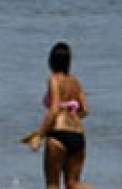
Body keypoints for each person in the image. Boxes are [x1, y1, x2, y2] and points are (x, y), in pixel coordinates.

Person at [21, 42, 89, 189]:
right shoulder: (76, 82)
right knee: (73, 184)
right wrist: (70, 114)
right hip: (78, 134)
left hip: (58, 134)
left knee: (52, 184)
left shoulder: (53, 79)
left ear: (51, 61)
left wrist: (39, 135)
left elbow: (54, 109)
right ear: (69, 62)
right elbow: (85, 110)